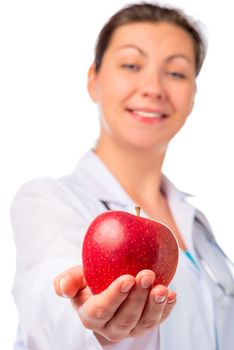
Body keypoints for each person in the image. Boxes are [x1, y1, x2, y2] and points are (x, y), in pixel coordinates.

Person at [10, 2, 234, 350]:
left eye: (176, 73)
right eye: (131, 65)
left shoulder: (199, 227)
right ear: (93, 80)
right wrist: (90, 319)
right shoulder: (47, 202)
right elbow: (48, 301)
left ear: (193, 96)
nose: (153, 88)